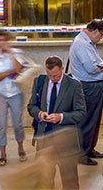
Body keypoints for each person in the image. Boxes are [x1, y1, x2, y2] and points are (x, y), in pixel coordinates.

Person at [26, 56, 86, 189]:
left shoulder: (74, 85)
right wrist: (40, 114)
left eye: (56, 76)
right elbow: (31, 106)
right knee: (44, 180)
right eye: (50, 75)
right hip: (44, 139)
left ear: (62, 69)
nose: (52, 79)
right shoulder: (40, 82)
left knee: (69, 180)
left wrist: (61, 117)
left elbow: (81, 112)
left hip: (65, 141)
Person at [0, 30, 27, 167]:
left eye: (3, 40)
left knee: (17, 123)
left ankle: (21, 147)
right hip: (1, 94)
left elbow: (19, 68)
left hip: (16, 93)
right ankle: (3, 154)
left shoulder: (16, 53)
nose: (1, 43)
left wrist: (10, 54)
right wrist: (10, 72)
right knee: (1, 124)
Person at [67, 19, 103, 165]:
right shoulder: (81, 44)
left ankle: (89, 149)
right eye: (101, 35)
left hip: (95, 85)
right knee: (87, 121)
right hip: (88, 87)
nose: (101, 38)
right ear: (95, 31)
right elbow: (92, 68)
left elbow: (98, 63)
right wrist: (100, 67)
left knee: (94, 121)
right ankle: (80, 153)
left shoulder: (89, 42)